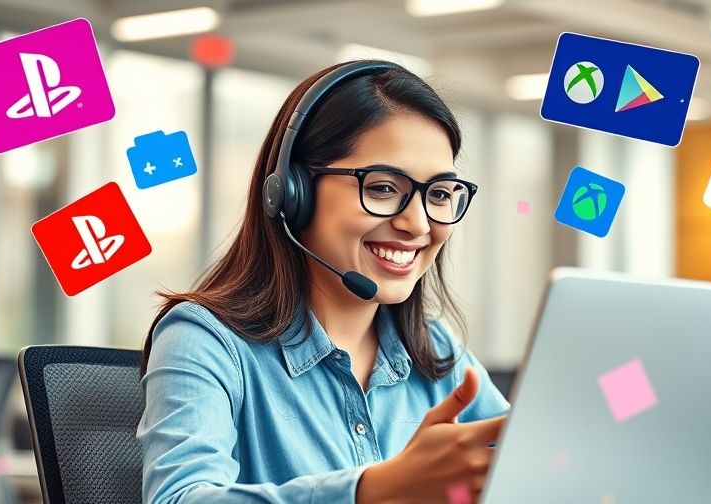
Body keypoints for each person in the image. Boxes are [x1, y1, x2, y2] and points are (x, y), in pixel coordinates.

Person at [137, 60, 509, 504]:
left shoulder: (436, 351)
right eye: (384, 188)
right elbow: (179, 499)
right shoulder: (204, 340)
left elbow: (532, 470)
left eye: (440, 194)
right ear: (294, 192)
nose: (418, 223)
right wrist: (373, 490)